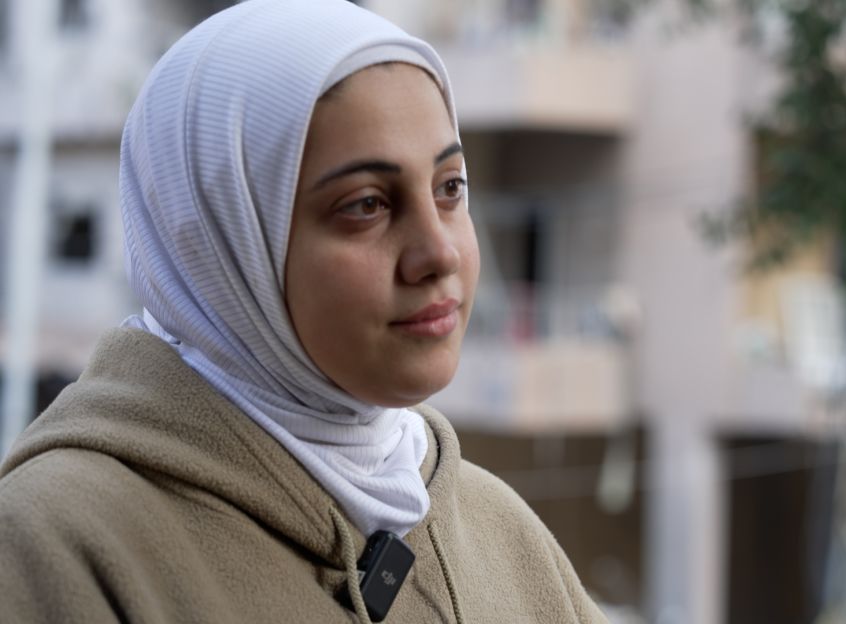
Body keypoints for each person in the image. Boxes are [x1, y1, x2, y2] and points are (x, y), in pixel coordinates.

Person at [0, 1, 607, 622]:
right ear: (221, 243)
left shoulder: (503, 536)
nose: (439, 252)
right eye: (367, 204)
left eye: (450, 188)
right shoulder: (55, 548)